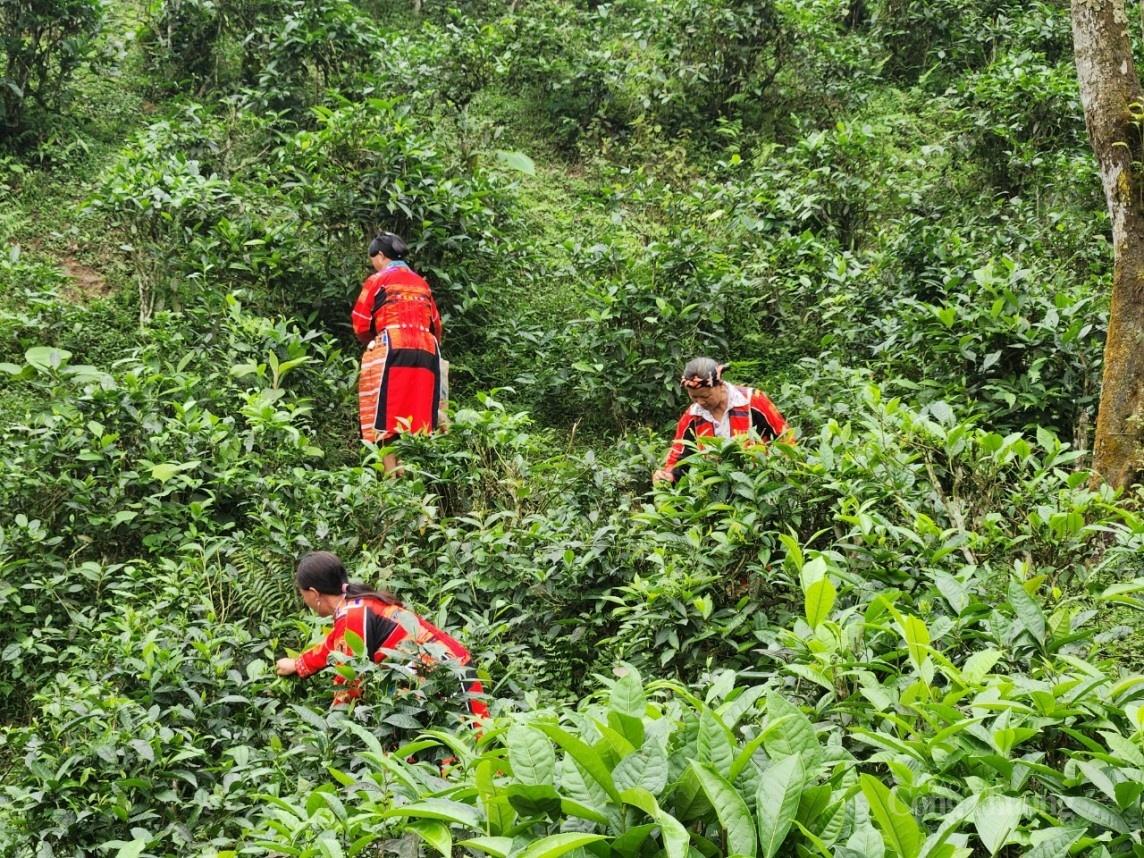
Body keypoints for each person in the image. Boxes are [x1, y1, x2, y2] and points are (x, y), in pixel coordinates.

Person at [276, 551, 489, 718]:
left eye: (302, 594)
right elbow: (333, 646)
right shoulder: (354, 606)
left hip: (448, 673)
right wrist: (297, 665)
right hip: (440, 668)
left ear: (314, 593)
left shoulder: (353, 615)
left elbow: (349, 678)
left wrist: (333, 725)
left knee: (472, 746)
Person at [351, 231, 443, 474]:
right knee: (418, 418)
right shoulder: (422, 283)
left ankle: (393, 479)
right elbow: (436, 325)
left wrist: (371, 340)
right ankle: (415, 479)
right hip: (427, 350)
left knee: (385, 418)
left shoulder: (377, 280)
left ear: (380, 256)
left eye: (373, 259)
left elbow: (360, 322)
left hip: (392, 347)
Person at [652, 357, 791, 484]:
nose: (700, 402)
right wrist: (667, 475)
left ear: (720, 385)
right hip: (716, 487)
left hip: (759, 481)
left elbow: (785, 438)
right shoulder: (692, 415)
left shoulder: (752, 400)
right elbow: (679, 456)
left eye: (706, 396)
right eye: (694, 397)